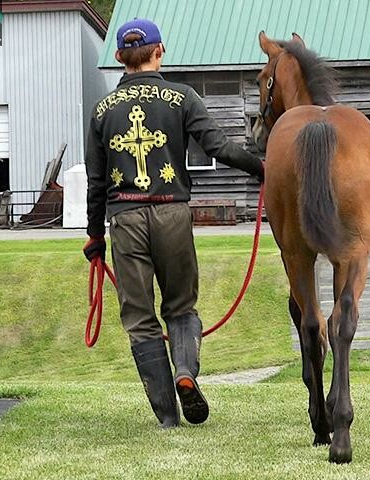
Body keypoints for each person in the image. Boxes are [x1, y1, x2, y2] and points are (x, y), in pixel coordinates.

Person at [83, 18, 264, 428]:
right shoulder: (181, 97)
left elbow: (96, 181)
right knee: (181, 306)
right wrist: (261, 168)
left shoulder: (101, 110)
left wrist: (95, 236)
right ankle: (185, 372)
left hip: (124, 217)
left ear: (117, 58)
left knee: (140, 317)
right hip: (172, 213)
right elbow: (218, 145)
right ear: (160, 51)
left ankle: (166, 416)